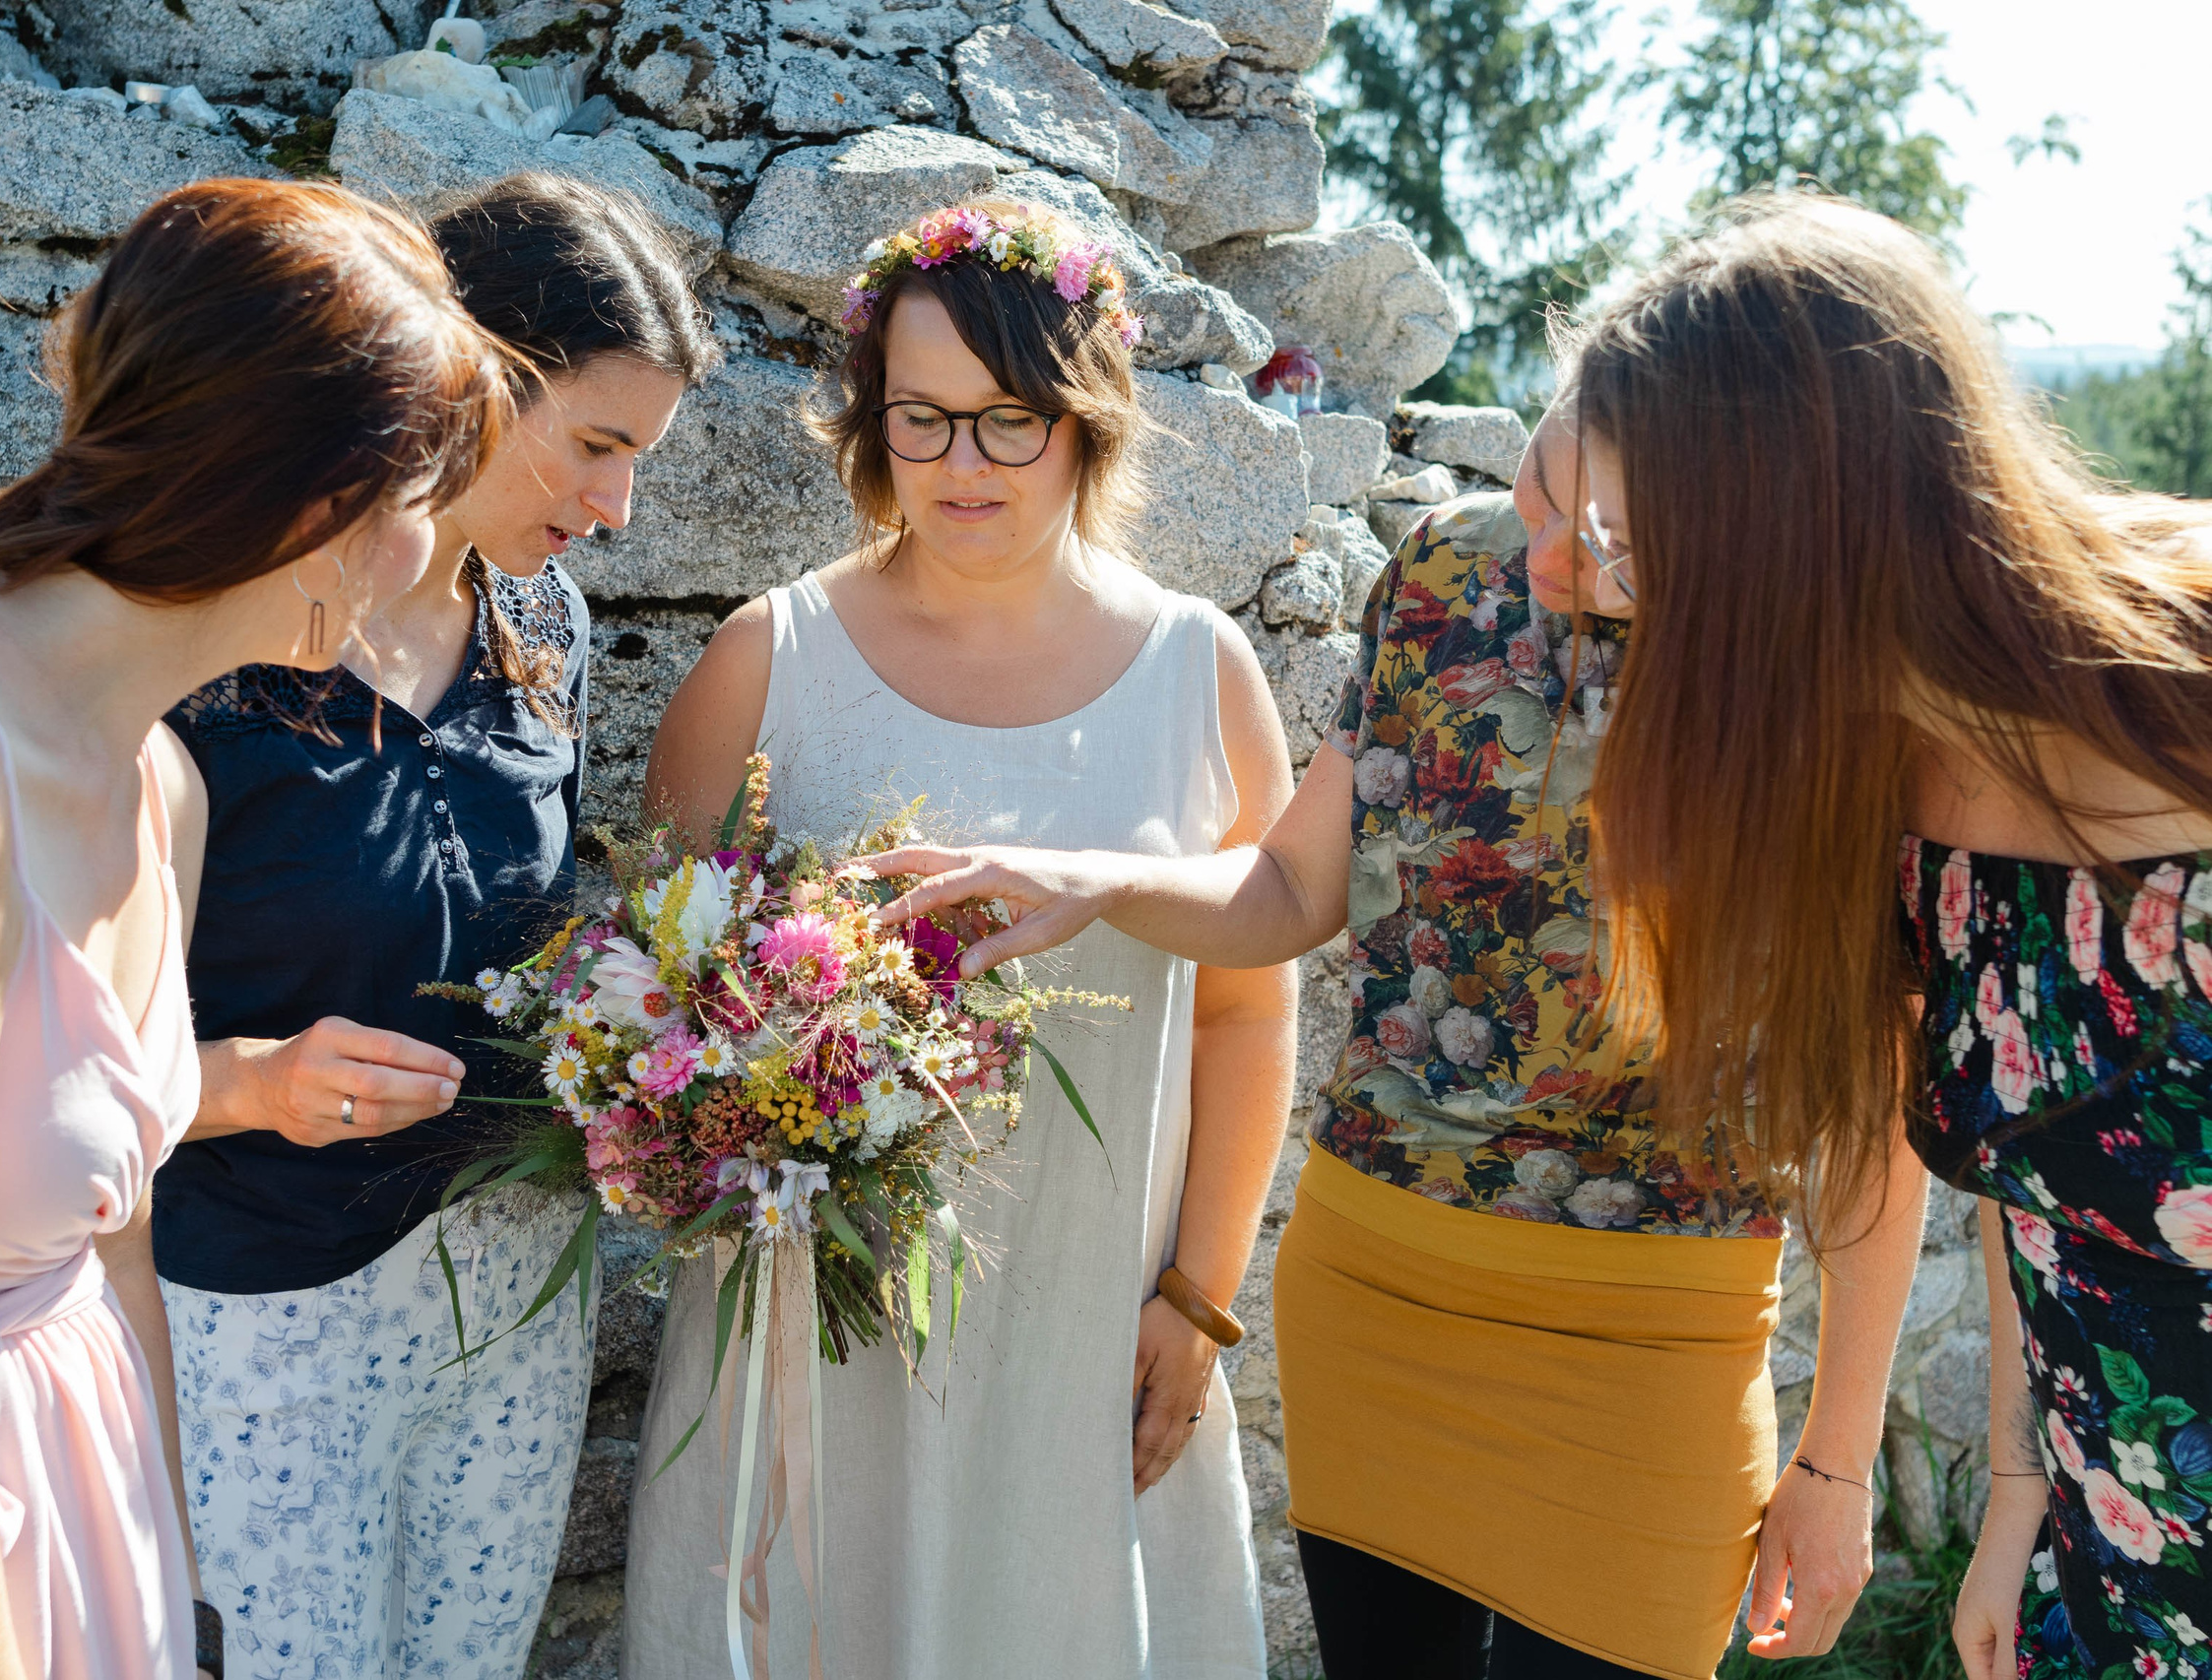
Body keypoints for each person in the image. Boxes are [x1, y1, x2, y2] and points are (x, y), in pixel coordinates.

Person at [867, 385, 1931, 1674]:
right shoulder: (1436, 573)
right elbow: (1293, 885)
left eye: (1615, 549)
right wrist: (1103, 878)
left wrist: (1836, 1460)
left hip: (1654, 1360)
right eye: (1548, 483)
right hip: (1375, 1308)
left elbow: (1881, 1116)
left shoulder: (1846, 694)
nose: (1545, 558)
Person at [0, 178, 508, 1680]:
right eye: (422, 504)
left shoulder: (158, 782)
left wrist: (171, 1608)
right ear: (323, 508)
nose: (432, 553)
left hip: (74, 1549)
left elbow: (112, 1266)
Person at [1540, 194, 2212, 1680]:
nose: (1612, 587)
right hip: (2111, 1585)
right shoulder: (1889, 785)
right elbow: (2028, 1186)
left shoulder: (2189, 680)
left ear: (1781, 531)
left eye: (1630, 541)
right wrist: (2019, 1503)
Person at [624, 201, 1296, 1677]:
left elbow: (1250, 1013)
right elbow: (647, 1011)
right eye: (920, 421)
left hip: (1084, 1330)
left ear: (1088, 420)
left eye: (1009, 423)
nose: (961, 468)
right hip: (816, 1340)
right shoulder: (767, 661)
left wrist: (1198, 1299)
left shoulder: (1201, 674)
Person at [150, 172, 719, 1680]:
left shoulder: (553, 633)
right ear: (462, 370)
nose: (616, 509)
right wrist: (257, 1082)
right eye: (596, 444)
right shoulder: (212, 635)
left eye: (639, 460)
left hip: (512, 1298)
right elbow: (49, 1036)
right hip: (262, 1306)